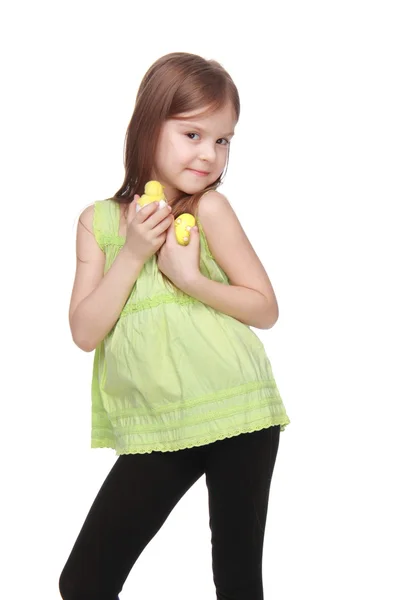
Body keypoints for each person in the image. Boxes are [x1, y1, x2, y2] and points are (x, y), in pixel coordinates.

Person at [59, 51, 290, 600]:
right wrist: (135, 251)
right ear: (148, 124)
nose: (209, 154)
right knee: (84, 581)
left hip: (236, 408)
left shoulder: (210, 210)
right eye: (193, 134)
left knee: (236, 582)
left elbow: (265, 308)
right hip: (158, 422)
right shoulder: (99, 223)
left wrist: (192, 281)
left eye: (223, 139)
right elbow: (85, 331)